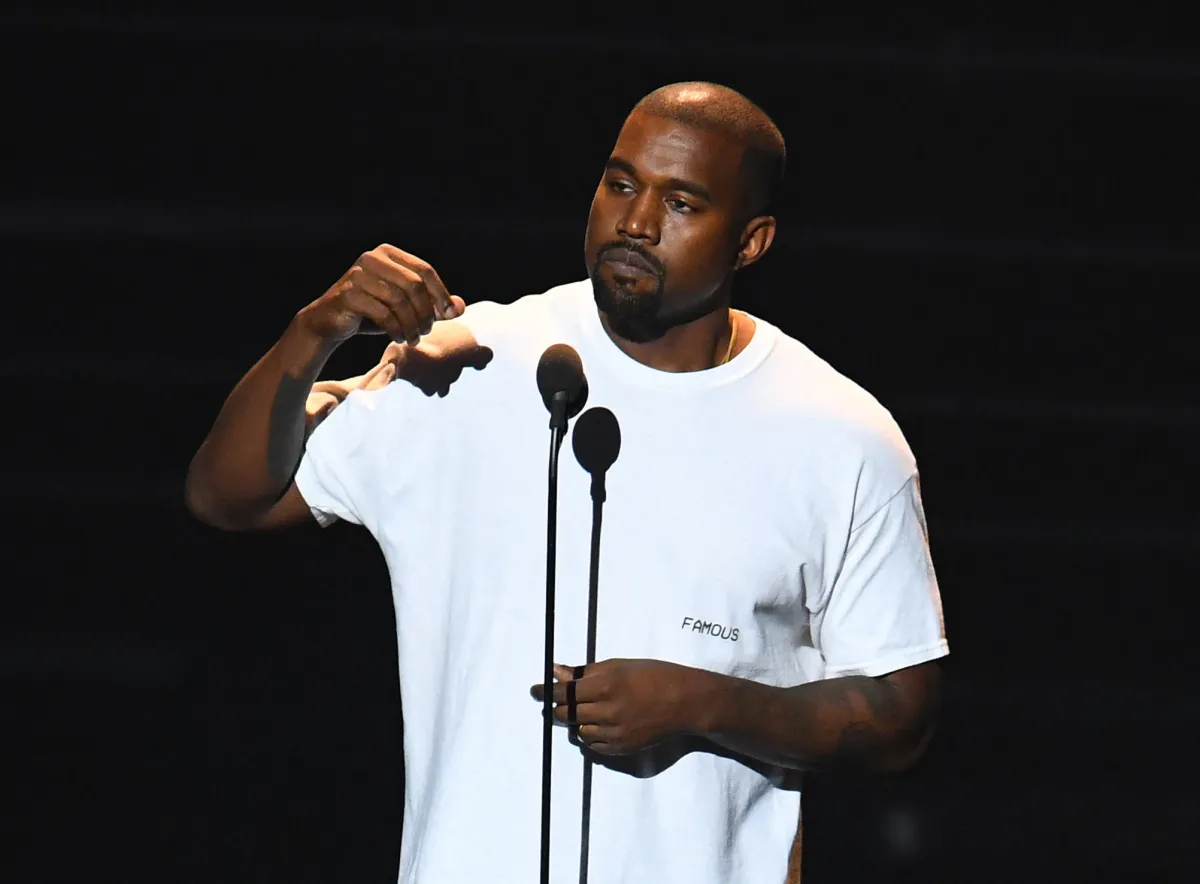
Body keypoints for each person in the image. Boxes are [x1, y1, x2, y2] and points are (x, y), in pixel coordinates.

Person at [186, 82, 948, 884]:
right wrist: (314, 333)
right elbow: (228, 497)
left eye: (681, 202)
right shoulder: (473, 362)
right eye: (620, 184)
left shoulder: (840, 435)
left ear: (750, 242)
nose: (636, 222)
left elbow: (902, 717)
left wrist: (704, 703)